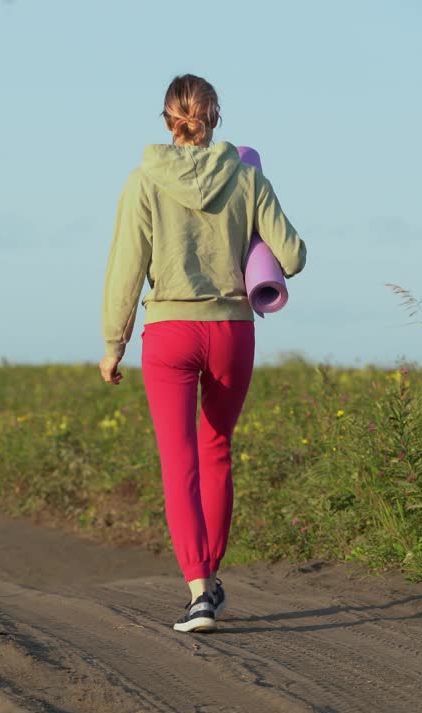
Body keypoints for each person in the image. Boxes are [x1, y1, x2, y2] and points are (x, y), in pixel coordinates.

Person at [99, 74, 307, 632]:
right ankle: (211, 583)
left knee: (179, 461)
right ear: (214, 117)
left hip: (169, 332)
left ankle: (197, 593)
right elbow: (294, 254)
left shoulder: (143, 182)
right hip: (232, 330)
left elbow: (126, 269)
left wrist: (113, 344)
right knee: (217, 449)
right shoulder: (247, 178)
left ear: (168, 120)